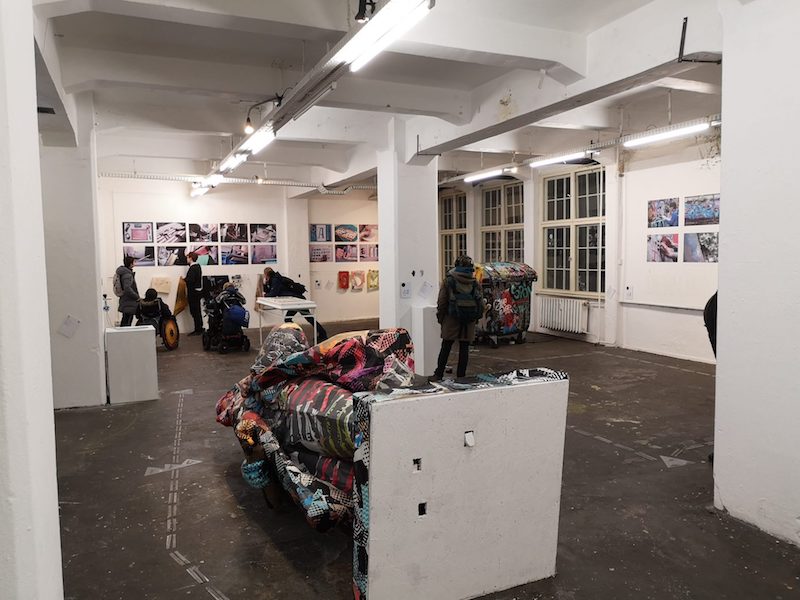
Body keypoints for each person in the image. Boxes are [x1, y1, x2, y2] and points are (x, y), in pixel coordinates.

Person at [432, 255, 484, 380]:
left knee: (446, 346)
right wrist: (476, 318)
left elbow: (442, 302)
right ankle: (461, 375)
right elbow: (480, 303)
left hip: (451, 318)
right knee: (464, 348)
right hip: (469, 320)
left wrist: (441, 318)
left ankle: (439, 374)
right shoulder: (475, 283)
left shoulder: (449, 281)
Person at [262, 267, 328, 342]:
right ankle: (301, 334)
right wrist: (265, 284)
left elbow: (273, 293)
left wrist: (265, 295)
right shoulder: (275, 279)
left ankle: (307, 334)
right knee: (291, 319)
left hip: (298, 301)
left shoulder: (276, 280)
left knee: (307, 318)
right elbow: (270, 291)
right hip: (295, 301)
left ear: (266, 274)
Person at [116, 256, 140, 327]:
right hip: (129, 302)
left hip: (126, 301)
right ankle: (124, 337)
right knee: (127, 323)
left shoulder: (124, 273)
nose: (134, 263)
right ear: (130, 264)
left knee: (126, 321)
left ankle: (123, 337)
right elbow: (127, 288)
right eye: (134, 262)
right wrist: (136, 297)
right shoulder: (127, 275)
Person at [185, 251, 204, 335]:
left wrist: (184, 280)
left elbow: (191, 280)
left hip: (193, 293)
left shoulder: (193, 268)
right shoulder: (198, 267)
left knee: (194, 311)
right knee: (197, 311)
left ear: (191, 258)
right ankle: (199, 328)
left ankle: (198, 329)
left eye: (187, 257)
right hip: (198, 292)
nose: (187, 259)